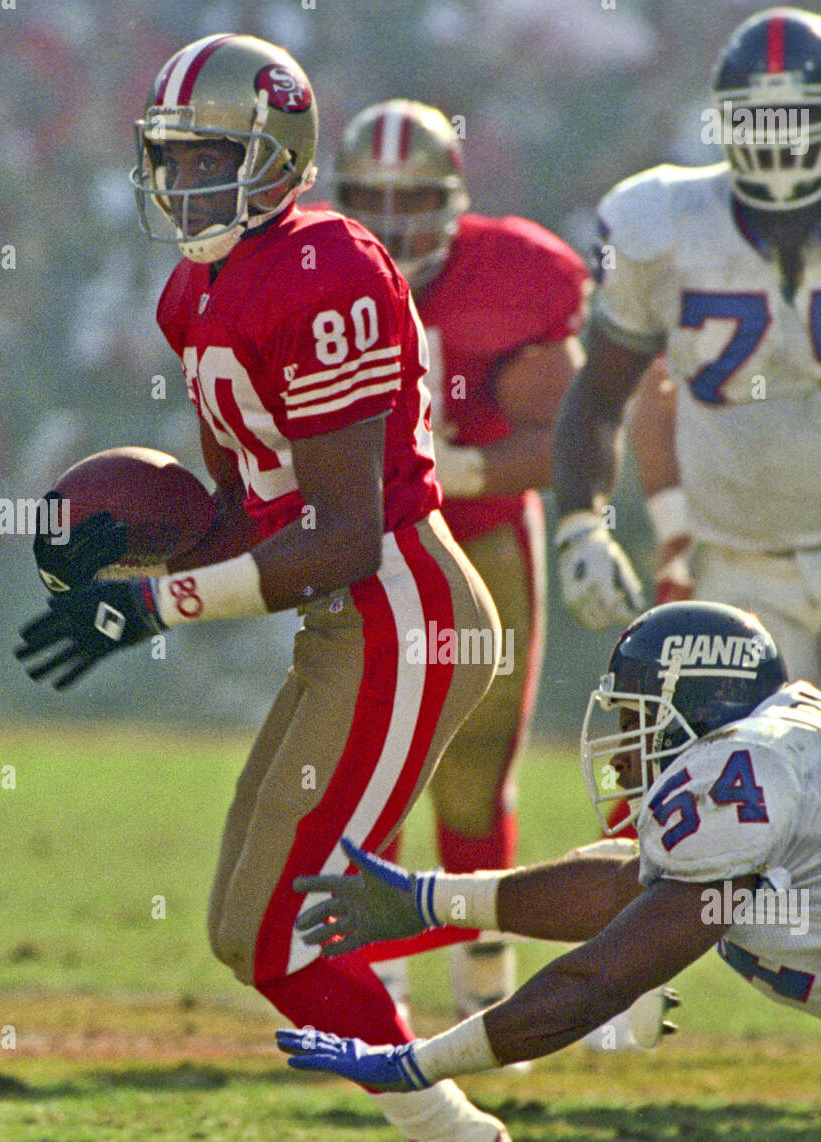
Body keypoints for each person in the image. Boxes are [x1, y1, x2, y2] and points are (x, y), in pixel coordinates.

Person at [15, 32, 519, 1142]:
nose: (185, 186)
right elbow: (254, 516)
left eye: (210, 159)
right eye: (170, 162)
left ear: (278, 156)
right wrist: (129, 560)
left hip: (407, 611)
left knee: (292, 923)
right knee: (248, 933)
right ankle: (452, 1129)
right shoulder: (192, 291)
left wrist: (154, 611)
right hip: (346, 622)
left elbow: (345, 535)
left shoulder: (326, 265)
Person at [277, 600, 821, 1142]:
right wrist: (429, 900)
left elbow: (592, 984)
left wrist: (417, 1063)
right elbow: (622, 888)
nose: (619, 757)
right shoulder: (777, 743)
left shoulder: (749, 770)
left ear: (697, 706)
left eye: (635, 718)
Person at [551, 5, 821, 821]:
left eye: (799, 120)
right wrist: (580, 522)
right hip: (736, 564)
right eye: (759, 121)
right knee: (742, 816)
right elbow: (598, 394)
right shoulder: (665, 222)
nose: (780, 142)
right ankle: (795, 956)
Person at [329, 99, 586, 1028]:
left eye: (414, 200)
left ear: (454, 202)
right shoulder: (308, 271)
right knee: (373, 765)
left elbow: (563, 442)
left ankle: (483, 976)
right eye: (371, 200)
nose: (393, 225)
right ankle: (379, 982)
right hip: (368, 547)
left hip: (479, 538)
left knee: (473, 772)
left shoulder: (515, 274)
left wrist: (446, 467)